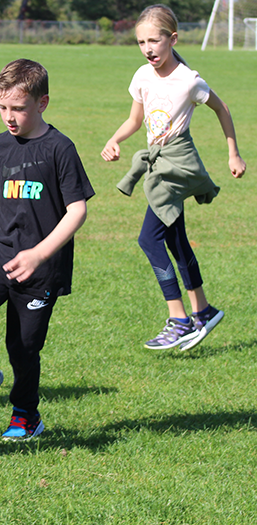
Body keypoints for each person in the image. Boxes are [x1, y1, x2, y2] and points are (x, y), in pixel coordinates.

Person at [0, 59, 93, 441]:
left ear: (42, 103)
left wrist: (39, 254)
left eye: (19, 109)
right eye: (2, 108)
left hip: (40, 268)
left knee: (24, 347)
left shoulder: (60, 148)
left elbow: (78, 210)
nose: (9, 117)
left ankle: (26, 414)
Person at [101, 4, 246, 351]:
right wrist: (115, 139)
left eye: (155, 40)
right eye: (141, 42)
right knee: (175, 239)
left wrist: (233, 152)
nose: (148, 48)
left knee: (149, 239)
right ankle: (204, 310)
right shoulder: (142, 76)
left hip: (177, 164)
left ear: (173, 39)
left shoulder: (189, 80)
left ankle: (179, 318)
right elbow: (136, 120)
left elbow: (221, 108)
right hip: (158, 163)